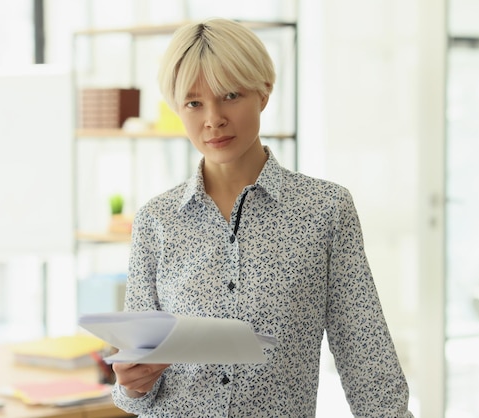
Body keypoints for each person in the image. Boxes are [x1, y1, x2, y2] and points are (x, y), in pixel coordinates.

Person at [111, 17, 413, 418]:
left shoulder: (325, 210)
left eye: (230, 95)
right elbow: (136, 384)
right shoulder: (156, 221)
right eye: (194, 103)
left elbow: (367, 359)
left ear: (264, 93)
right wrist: (131, 386)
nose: (213, 118)